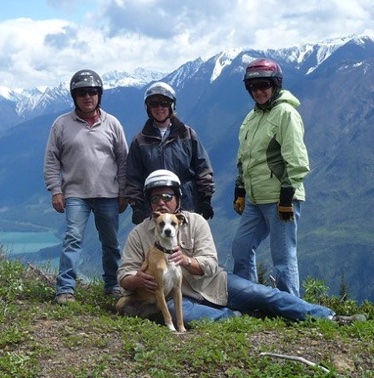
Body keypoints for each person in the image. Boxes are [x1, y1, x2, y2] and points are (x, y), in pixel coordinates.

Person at [116, 170, 363, 326]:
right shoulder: (139, 234)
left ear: (178, 199)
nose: (162, 202)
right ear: (149, 204)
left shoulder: (195, 222)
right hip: (173, 297)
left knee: (265, 294)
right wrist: (135, 280)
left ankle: (329, 317)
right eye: (155, 198)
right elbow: (124, 273)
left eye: (167, 196)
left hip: (215, 284)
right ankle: (248, 318)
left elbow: (211, 263)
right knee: (199, 318)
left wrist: (189, 262)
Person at [43, 69, 128, 305]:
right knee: (72, 239)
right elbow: (51, 159)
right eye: (81, 93)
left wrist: (124, 192)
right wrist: (55, 190)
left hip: (108, 194)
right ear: (74, 96)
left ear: (99, 94)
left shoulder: (112, 124)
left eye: (92, 92)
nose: (87, 97)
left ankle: (113, 285)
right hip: (75, 194)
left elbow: (123, 160)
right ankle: (65, 289)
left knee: (111, 242)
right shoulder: (61, 125)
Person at [232, 58, 310, 297]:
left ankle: (291, 307)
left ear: (275, 84)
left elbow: (297, 160)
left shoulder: (286, 113)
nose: (258, 91)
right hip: (255, 201)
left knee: (283, 257)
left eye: (264, 85)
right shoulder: (251, 118)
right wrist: (240, 191)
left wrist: (286, 196)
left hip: (280, 201)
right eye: (253, 87)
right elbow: (244, 157)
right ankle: (248, 297)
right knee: (241, 249)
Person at [124, 81, 214, 225]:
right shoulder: (139, 141)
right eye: (154, 104)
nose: (159, 108)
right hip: (155, 208)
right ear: (148, 108)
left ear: (172, 106)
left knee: (189, 244)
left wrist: (206, 199)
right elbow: (133, 177)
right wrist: (136, 207)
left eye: (164, 103)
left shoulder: (187, 135)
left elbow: (202, 168)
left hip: (188, 204)